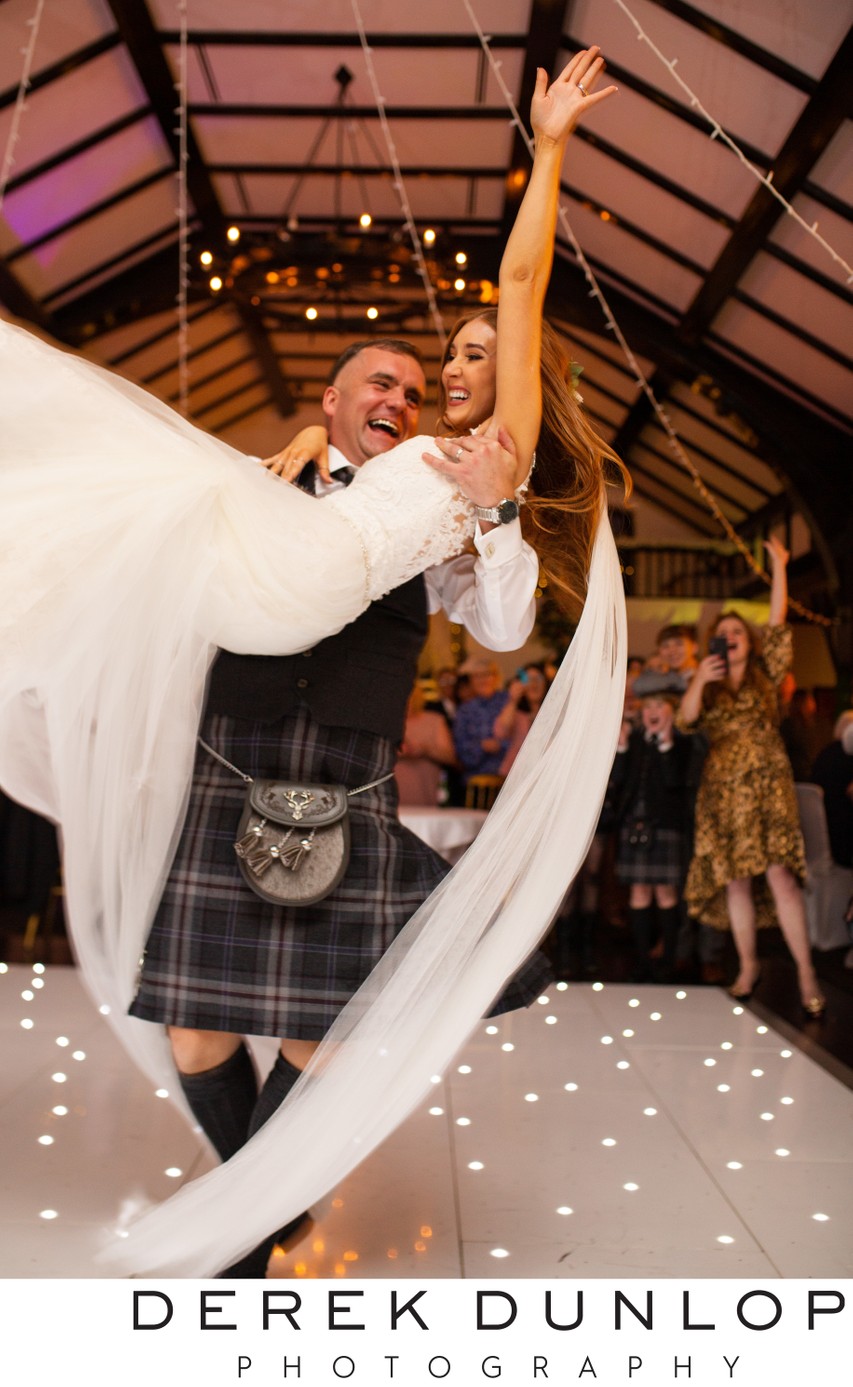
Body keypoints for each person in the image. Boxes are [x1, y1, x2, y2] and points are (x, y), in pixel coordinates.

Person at [0, 49, 626, 1276]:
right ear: (337, 404)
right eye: (417, 366)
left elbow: (524, 277)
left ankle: (243, 1232)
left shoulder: (486, 462)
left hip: (337, 783)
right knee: (191, 1032)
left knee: (323, 1042)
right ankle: (260, 1195)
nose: (444, 374)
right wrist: (284, 467)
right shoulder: (286, 474)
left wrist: (547, 149)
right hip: (238, 748)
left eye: (462, 358)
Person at [677, 539, 825, 1015]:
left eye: (737, 629)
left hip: (769, 786)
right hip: (723, 790)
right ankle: (747, 966)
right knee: (737, 880)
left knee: (781, 875)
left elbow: (778, 620)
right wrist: (699, 679)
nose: (731, 635)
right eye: (723, 631)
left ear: (748, 639)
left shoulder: (766, 670)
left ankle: (805, 972)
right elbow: (685, 721)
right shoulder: (708, 681)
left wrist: (779, 567)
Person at [610, 686, 691, 981]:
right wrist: (620, 749)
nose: (652, 712)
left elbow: (674, 783)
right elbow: (619, 782)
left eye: (659, 706)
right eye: (647, 707)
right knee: (639, 891)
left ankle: (667, 961)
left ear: (671, 711)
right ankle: (643, 960)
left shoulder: (681, 742)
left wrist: (666, 745)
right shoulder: (635, 742)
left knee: (665, 892)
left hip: (666, 826)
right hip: (634, 823)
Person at [394, 684, 459, 806]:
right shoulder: (387, 723)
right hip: (393, 795)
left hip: (425, 793)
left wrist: (425, 750)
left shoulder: (434, 720)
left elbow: (450, 756)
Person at [452, 657, 511, 782]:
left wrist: (500, 745)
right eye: (477, 676)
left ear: (495, 677)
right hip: (476, 783)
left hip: (510, 778)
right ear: (471, 680)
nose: (483, 680)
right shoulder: (464, 710)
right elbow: (460, 748)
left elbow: (521, 736)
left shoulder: (508, 702)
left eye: (487, 674)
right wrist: (482, 746)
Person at [494, 663, 552, 776]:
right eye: (528, 679)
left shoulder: (554, 712)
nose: (533, 683)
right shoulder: (516, 714)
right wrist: (513, 700)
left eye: (538, 678)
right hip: (518, 775)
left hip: (548, 773)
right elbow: (500, 732)